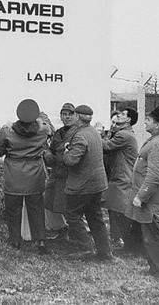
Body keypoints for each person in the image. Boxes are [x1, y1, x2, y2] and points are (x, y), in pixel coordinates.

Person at [125, 106, 159, 281]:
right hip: (154, 199)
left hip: (154, 200)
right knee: (150, 236)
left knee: (155, 236)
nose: (145, 121)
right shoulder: (158, 140)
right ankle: (156, 269)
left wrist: (141, 196)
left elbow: (155, 176)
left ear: (157, 124)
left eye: (148, 119)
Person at [0, 98, 50, 255]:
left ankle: (15, 239)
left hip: (14, 174)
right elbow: (47, 130)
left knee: (13, 208)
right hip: (35, 173)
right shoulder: (43, 130)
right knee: (36, 207)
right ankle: (41, 240)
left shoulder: (7, 131)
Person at [62, 104, 113, 261]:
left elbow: (71, 160)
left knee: (72, 215)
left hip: (82, 184)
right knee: (95, 217)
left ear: (77, 117)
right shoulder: (94, 132)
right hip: (98, 184)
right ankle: (105, 252)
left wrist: (66, 151)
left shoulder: (80, 135)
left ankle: (86, 248)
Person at [102, 107, 139, 251]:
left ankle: (128, 242)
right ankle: (122, 240)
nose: (118, 116)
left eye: (122, 115)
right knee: (115, 208)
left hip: (123, 177)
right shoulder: (124, 133)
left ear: (128, 120)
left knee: (119, 210)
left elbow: (105, 146)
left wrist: (98, 133)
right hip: (121, 176)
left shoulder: (124, 135)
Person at [43, 102, 77, 241]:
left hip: (71, 174)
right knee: (49, 202)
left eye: (70, 114)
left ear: (75, 116)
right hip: (57, 174)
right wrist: (47, 153)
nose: (67, 117)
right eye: (64, 114)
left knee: (72, 207)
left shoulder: (77, 132)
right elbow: (51, 149)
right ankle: (61, 230)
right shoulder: (58, 132)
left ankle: (81, 234)